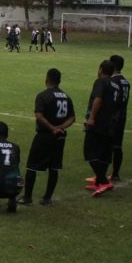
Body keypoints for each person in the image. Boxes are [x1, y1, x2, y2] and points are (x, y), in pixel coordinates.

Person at [17, 68, 75, 206]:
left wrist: (52, 128)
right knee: (54, 167)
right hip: (59, 137)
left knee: (32, 166)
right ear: (59, 81)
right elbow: (72, 117)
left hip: (44, 135)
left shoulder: (43, 95)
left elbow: (39, 115)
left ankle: (27, 197)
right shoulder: (66, 96)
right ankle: (47, 198)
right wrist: (61, 127)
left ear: (47, 79)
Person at [83, 60, 120, 197]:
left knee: (89, 152)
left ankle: (104, 181)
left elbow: (98, 99)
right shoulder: (116, 85)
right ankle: (99, 181)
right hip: (110, 124)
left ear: (101, 69)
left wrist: (91, 117)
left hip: (98, 123)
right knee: (104, 154)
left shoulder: (100, 82)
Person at [110, 55, 130, 181]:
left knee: (107, 145)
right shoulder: (126, 81)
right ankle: (116, 173)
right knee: (117, 145)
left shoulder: (113, 82)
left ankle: (101, 175)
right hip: (122, 116)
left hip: (112, 117)